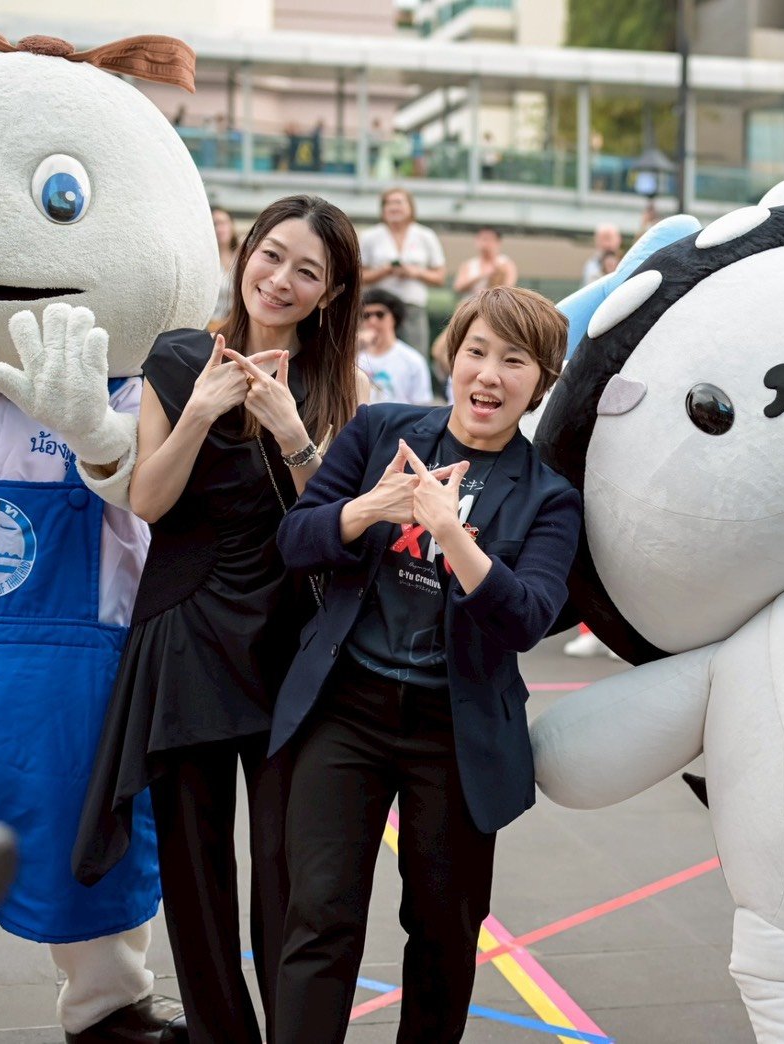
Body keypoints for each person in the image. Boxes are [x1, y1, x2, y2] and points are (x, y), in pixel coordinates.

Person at [73, 194, 370, 1044]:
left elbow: (340, 526)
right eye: (272, 254)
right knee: (195, 874)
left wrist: (292, 431)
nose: (280, 279)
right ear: (245, 252)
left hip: (288, 646)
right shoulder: (177, 357)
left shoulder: (338, 384)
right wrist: (201, 409)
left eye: (307, 271)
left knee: (288, 867)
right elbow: (148, 502)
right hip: (187, 634)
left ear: (330, 293)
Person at [268, 285, 581, 1043]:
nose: (490, 374)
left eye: (515, 361)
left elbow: (528, 619)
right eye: (477, 351)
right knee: (320, 915)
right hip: (347, 710)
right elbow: (296, 540)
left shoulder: (549, 497)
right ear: (451, 357)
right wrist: (368, 509)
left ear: (541, 381)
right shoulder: (381, 432)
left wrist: (454, 534)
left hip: (455, 730)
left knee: (444, 930)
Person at [360, 187, 445, 357]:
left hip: (412, 308)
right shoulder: (370, 236)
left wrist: (415, 272)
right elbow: (359, 276)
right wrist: (384, 271)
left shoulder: (425, 235)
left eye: (398, 202)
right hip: (378, 309)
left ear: (410, 207)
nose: (394, 207)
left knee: (415, 354)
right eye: (388, 203)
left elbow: (440, 277)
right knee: (372, 354)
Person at [357, 288, 430, 405]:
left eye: (380, 315)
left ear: (394, 318)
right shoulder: (354, 356)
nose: (372, 321)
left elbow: (421, 405)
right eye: (366, 315)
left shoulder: (413, 360)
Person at [452, 225, 517, 301]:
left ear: (498, 242)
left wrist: (497, 274)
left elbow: (509, 288)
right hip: (470, 304)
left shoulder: (506, 263)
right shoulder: (469, 264)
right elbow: (458, 287)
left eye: (490, 240)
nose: (485, 243)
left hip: (496, 305)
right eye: (483, 239)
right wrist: (481, 276)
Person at [210, 205, 240, 329]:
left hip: (234, 325)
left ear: (231, 225)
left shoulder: (241, 259)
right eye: (214, 224)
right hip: (210, 325)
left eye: (223, 223)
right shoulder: (208, 261)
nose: (219, 228)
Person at [580, 222, 622, 286]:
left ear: (619, 240)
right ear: (596, 241)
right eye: (603, 239)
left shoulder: (627, 261)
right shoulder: (592, 266)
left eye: (609, 238)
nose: (607, 244)